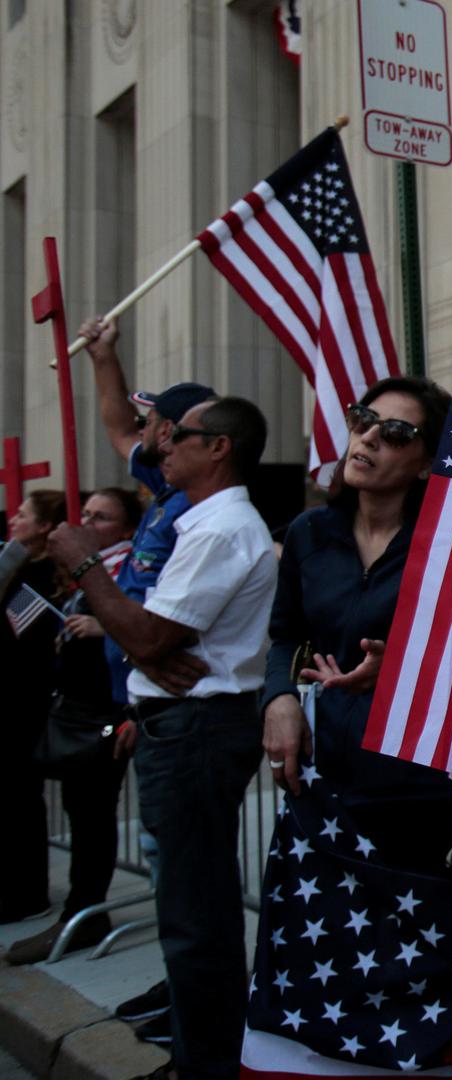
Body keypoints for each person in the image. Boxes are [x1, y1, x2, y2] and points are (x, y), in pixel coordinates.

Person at [48, 396, 277, 1080]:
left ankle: (206, 1064)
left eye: (178, 436)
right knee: (187, 903)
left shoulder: (220, 530)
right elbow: (152, 633)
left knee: (194, 913)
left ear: (219, 449)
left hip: (195, 732)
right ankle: (201, 1050)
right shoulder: (198, 522)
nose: (159, 447)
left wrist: (86, 565)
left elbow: (150, 633)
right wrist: (147, 646)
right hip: (180, 726)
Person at [78, 315, 217, 1034]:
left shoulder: (203, 511)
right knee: (168, 865)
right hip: (140, 696)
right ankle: (178, 985)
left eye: (162, 426)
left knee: (183, 869)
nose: (148, 437)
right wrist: (105, 357)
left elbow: (172, 630)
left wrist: (139, 689)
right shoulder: (165, 489)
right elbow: (115, 428)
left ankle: (195, 1002)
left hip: (170, 707)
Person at [260, 377, 452, 862]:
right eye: (362, 420)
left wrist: (398, 669)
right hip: (322, 777)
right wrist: (279, 698)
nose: (368, 437)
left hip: (419, 786)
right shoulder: (309, 533)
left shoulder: (450, 541)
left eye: (395, 433)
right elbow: (286, 636)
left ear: (426, 464)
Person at [5, 488, 143, 965]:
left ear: (127, 530)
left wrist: (105, 626)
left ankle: (86, 911)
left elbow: (152, 626)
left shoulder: (130, 568)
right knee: (80, 811)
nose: (88, 523)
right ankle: (79, 911)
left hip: (111, 711)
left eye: (102, 518)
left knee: (93, 816)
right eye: (85, 514)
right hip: (77, 708)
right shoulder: (82, 571)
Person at [1, 490, 69, 925]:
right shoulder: (17, 566)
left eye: (23, 515)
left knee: (19, 797)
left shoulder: (49, 576)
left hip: (26, 699)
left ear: (46, 526)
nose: (13, 520)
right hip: (9, 696)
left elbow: (35, 639)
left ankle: (26, 893)